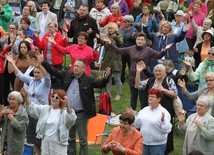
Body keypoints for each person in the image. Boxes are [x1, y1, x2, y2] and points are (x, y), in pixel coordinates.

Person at [41, 58, 111, 155]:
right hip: (68, 113)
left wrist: (106, 77)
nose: (76, 68)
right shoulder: (68, 75)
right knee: (70, 138)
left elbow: (99, 84)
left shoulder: (88, 79)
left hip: (81, 114)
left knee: (83, 140)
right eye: (75, 65)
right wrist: (44, 62)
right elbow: (55, 71)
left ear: (83, 68)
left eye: (78, 66)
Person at [101, 32, 173, 110]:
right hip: (132, 76)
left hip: (143, 77)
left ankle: (144, 114)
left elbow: (158, 55)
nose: (140, 41)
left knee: (143, 99)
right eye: (138, 39)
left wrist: (165, 50)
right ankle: (132, 115)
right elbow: (118, 50)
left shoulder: (148, 50)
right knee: (133, 97)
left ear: (145, 41)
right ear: (135, 40)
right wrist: (110, 42)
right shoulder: (131, 48)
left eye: (142, 40)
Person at [135, 62, 177, 154]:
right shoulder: (150, 80)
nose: (158, 73)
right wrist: (138, 72)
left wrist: (163, 90)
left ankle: (165, 150)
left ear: (164, 72)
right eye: (156, 71)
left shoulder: (169, 80)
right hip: (151, 109)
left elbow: (174, 94)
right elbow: (138, 85)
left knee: (165, 129)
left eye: (160, 71)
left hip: (165, 109)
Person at [25, 89, 77, 155]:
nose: (54, 99)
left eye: (57, 97)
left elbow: (71, 121)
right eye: (52, 96)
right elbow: (33, 109)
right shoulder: (45, 109)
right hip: (45, 141)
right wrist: (26, 97)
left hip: (58, 143)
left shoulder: (65, 112)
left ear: (62, 100)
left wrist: (68, 106)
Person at [127, 88, 172, 155]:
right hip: (143, 143)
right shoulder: (144, 110)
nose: (150, 98)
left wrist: (163, 122)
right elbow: (137, 124)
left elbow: (167, 130)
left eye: (152, 97)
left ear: (159, 99)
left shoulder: (164, 112)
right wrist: (132, 117)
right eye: (149, 96)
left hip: (157, 145)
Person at [35, 22, 68, 89]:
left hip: (56, 62)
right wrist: (37, 37)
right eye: (49, 27)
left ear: (56, 28)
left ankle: (57, 92)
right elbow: (40, 45)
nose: (50, 28)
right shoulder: (46, 35)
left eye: (52, 27)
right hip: (47, 61)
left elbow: (64, 47)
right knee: (47, 78)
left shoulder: (60, 36)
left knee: (57, 79)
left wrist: (64, 39)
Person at [101, 22, 123, 101]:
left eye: (111, 28)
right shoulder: (107, 36)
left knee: (117, 78)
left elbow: (120, 43)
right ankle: (108, 93)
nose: (110, 30)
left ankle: (118, 93)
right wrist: (100, 39)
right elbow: (102, 44)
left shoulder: (119, 35)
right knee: (108, 77)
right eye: (109, 28)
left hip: (116, 59)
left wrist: (115, 37)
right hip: (107, 59)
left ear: (115, 29)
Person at [119, 15, 137, 83]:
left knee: (131, 66)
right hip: (122, 50)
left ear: (130, 23)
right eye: (123, 21)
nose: (124, 23)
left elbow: (135, 40)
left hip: (130, 51)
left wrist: (134, 37)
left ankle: (132, 80)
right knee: (122, 66)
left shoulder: (134, 30)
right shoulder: (121, 29)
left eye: (125, 22)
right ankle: (121, 80)